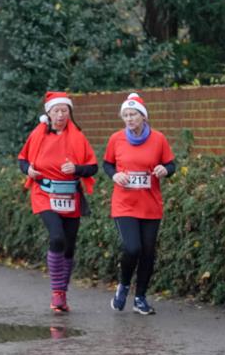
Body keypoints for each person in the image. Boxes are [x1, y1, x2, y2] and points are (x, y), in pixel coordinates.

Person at [17, 91, 98, 313]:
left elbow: (93, 167)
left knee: (69, 246)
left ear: (69, 112)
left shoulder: (78, 137)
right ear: (49, 113)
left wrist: (77, 168)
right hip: (44, 193)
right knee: (57, 237)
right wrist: (28, 169)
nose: (61, 115)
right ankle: (56, 292)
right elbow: (22, 159)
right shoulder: (38, 134)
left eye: (64, 110)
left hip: (70, 196)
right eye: (56, 111)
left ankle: (62, 292)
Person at [103, 93, 176, 315]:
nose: (129, 119)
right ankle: (124, 285)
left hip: (150, 205)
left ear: (143, 116)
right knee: (132, 248)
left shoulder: (158, 139)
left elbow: (171, 165)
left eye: (133, 114)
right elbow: (107, 164)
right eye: (125, 115)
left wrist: (164, 170)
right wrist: (115, 175)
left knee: (147, 252)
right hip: (124, 204)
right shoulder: (116, 139)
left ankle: (140, 298)